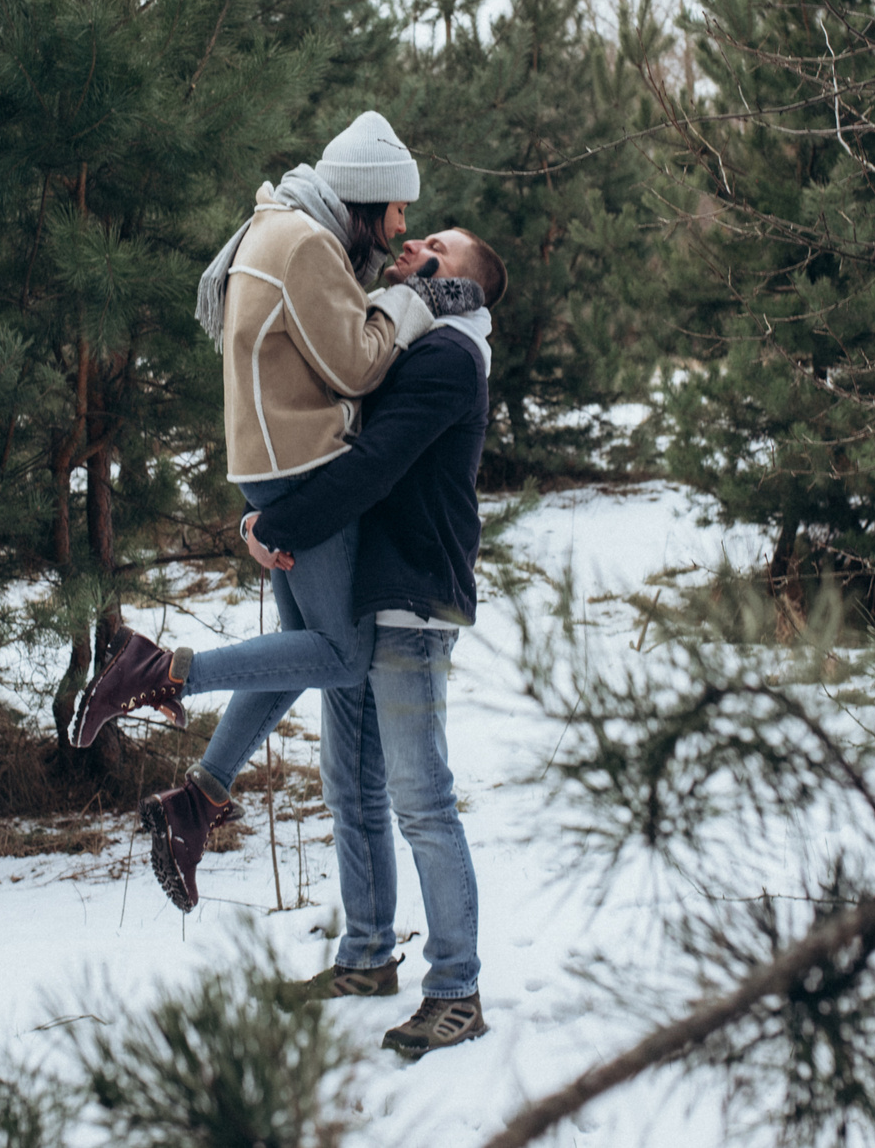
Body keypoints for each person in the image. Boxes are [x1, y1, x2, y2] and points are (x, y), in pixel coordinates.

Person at [71, 111, 465, 905]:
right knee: (342, 656)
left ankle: (200, 799)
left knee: (298, 648)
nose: (400, 230)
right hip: (305, 467)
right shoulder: (307, 246)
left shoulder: (276, 226)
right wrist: (414, 307)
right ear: (365, 200)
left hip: (267, 465)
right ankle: (165, 668)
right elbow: (356, 365)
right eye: (396, 212)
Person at [245, 225, 506, 1060]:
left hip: (410, 598)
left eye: (438, 244)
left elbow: (372, 465)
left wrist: (278, 525)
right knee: (349, 783)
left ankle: (456, 987)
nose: (414, 241)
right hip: (367, 591)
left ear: (454, 279)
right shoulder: (412, 338)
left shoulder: (448, 357)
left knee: (419, 795)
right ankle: (364, 956)